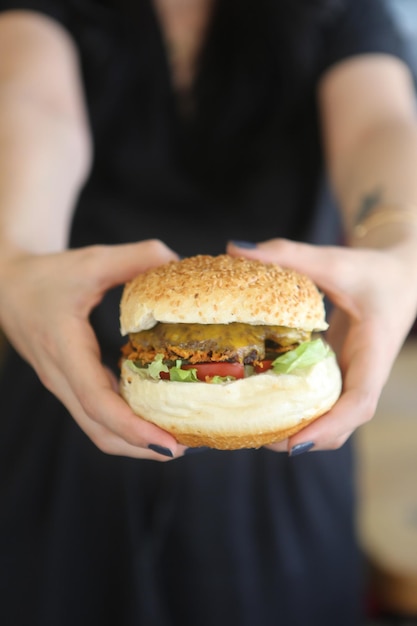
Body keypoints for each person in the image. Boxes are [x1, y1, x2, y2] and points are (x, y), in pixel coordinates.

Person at [0, 0, 417, 624]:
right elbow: (33, 105)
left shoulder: (339, 10)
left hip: (289, 468)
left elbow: (378, 126)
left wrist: (401, 246)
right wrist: (15, 254)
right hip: (67, 394)